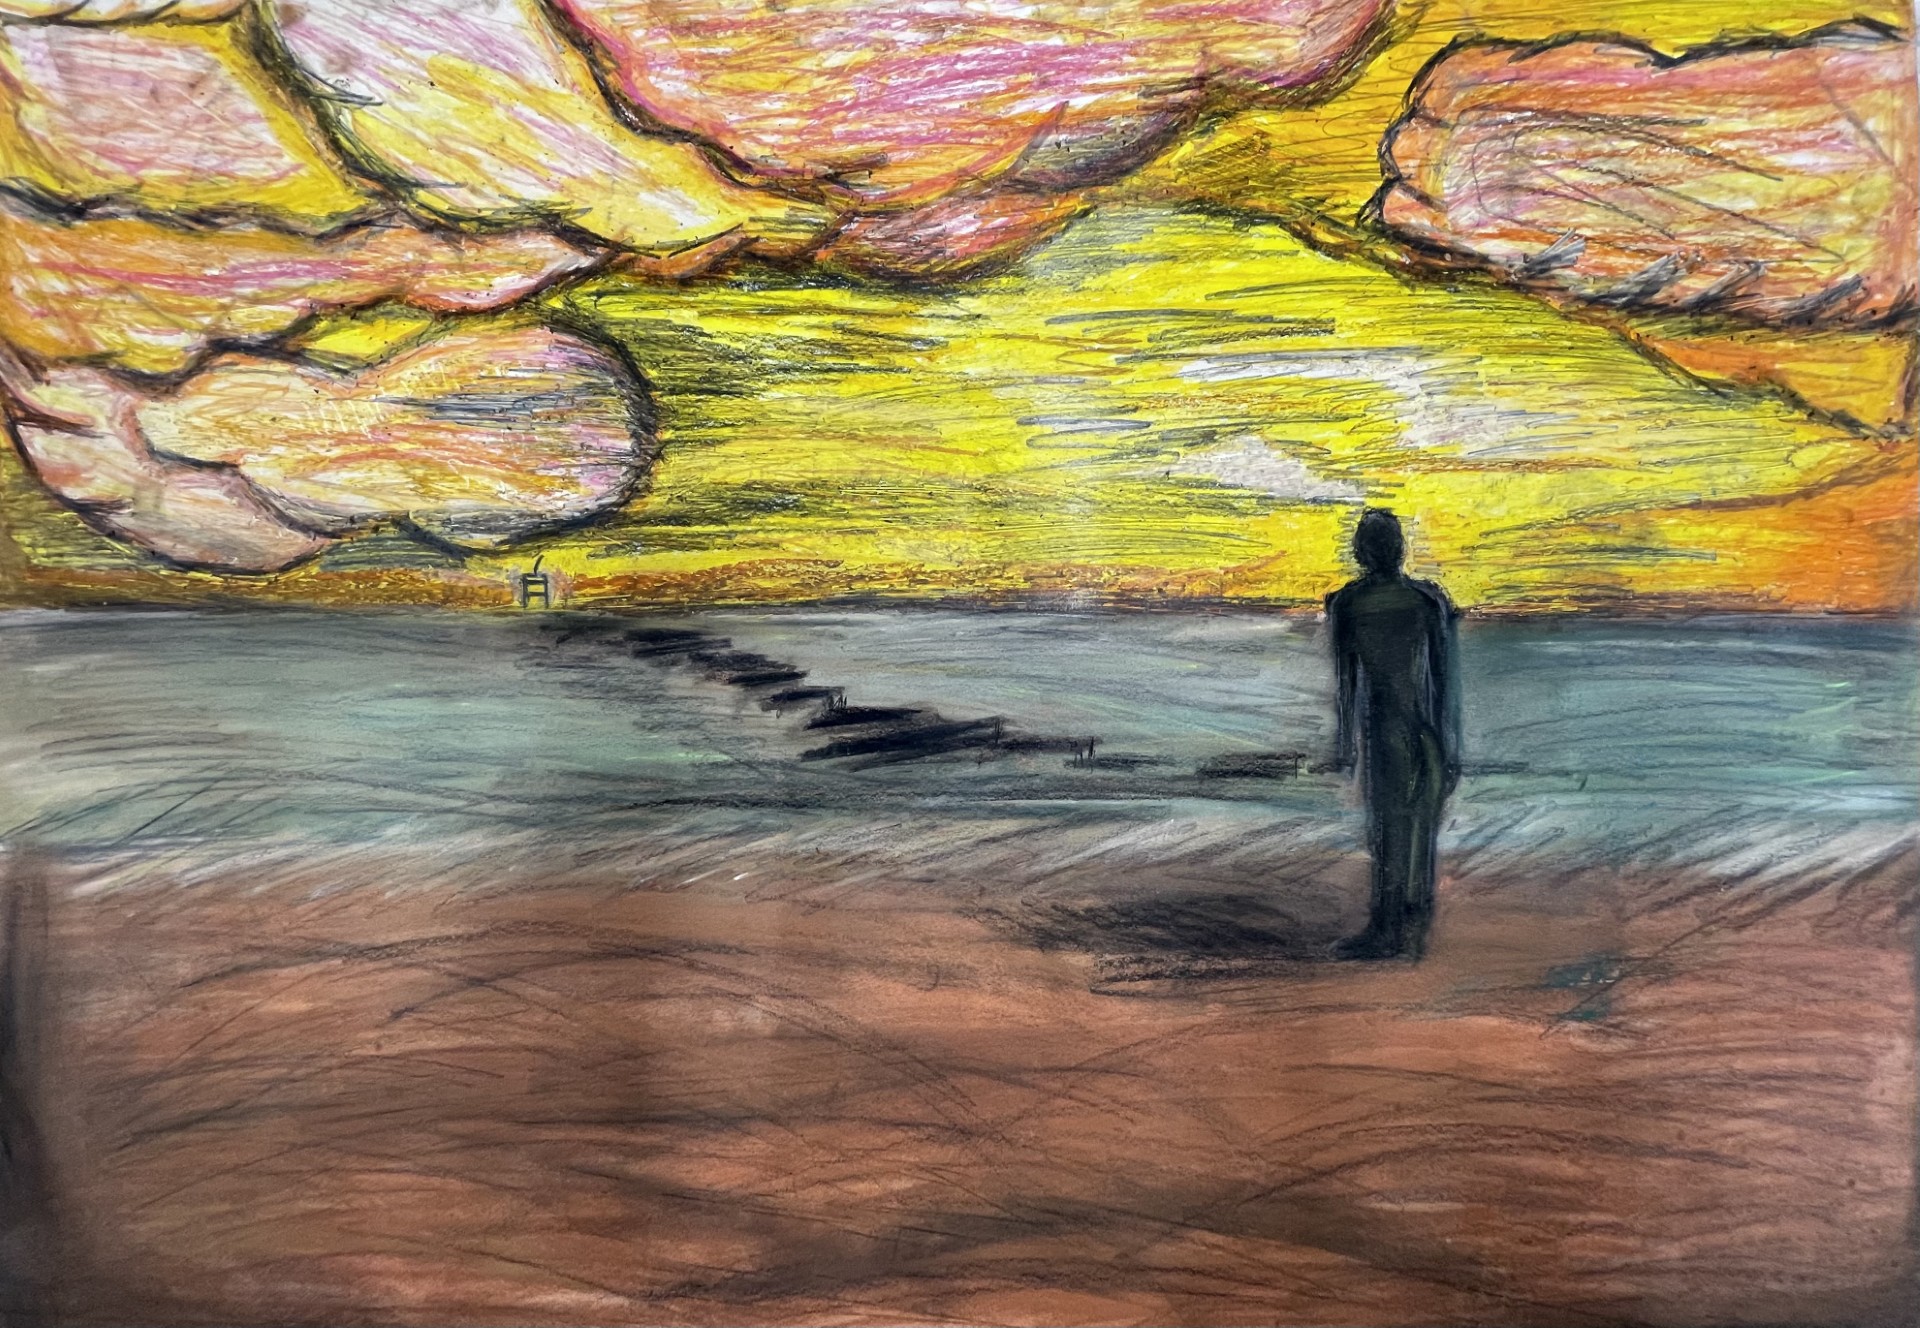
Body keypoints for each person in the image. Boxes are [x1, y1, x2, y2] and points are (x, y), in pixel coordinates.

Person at [1324, 508, 1460, 960]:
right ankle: (1412, 930)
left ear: (1361, 551)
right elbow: (1443, 686)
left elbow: (1347, 685)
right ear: (1400, 549)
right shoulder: (1428, 601)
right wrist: (1451, 749)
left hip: (1384, 731)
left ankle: (1387, 931)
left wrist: (1345, 744)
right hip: (1426, 733)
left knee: (1388, 829)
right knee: (1420, 829)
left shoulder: (1347, 604)